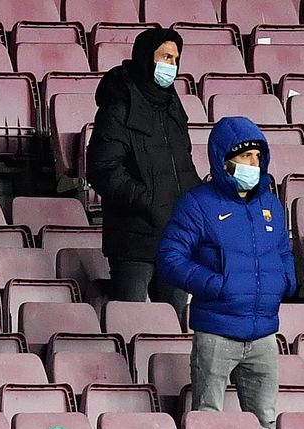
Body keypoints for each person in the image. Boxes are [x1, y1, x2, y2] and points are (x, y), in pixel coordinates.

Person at [158, 116, 296, 429]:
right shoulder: (197, 203)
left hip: (264, 335)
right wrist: (217, 285)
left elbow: (284, 251)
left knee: (266, 422)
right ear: (224, 160)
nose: (254, 163)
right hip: (217, 333)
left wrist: (285, 281)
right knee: (208, 420)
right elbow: (169, 257)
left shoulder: (271, 205)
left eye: (258, 156)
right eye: (246, 156)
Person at [86, 28, 200, 316]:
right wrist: (149, 200)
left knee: (172, 326)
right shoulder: (119, 104)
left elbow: (182, 165)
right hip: (132, 241)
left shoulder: (172, 104)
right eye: (165, 57)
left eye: (175, 59)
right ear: (146, 58)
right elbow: (103, 169)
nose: (170, 66)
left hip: (174, 240)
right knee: (130, 324)